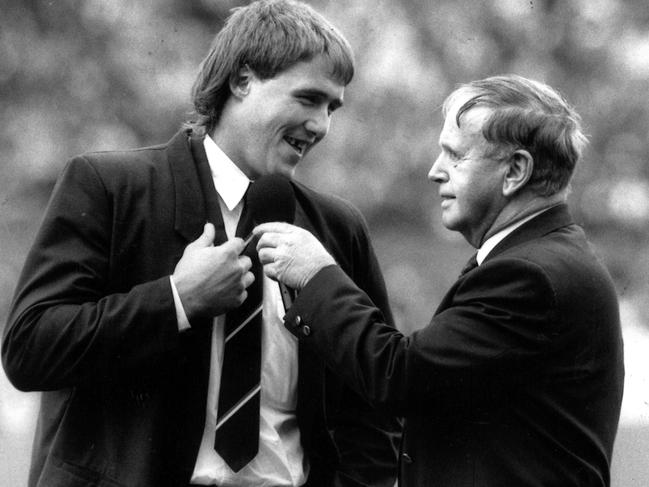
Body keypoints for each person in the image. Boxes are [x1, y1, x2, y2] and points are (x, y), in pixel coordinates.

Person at [1, 1, 401, 486]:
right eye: (309, 99)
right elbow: (29, 349)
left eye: (332, 107)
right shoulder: (110, 187)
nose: (322, 125)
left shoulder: (338, 228)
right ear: (242, 81)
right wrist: (177, 300)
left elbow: (376, 407)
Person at [254, 75, 625, 487]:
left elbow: (400, 376)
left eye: (454, 155)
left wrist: (318, 276)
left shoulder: (530, 275)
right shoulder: (545, 258)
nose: (435, 172)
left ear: (516, 170)